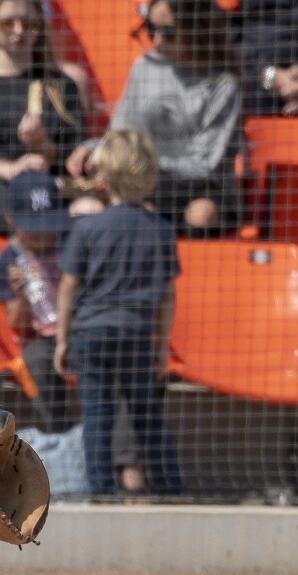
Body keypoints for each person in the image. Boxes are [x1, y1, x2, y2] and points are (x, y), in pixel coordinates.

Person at [54, 129, 183, 498]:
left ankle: (101, 492)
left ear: (103, 177)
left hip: (91, 333)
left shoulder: (88, 228)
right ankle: (173, 489)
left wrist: (63, 339)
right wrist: (161, 348)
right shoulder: (159, 230)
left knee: (98, 415)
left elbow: (67, 287)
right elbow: (168, 295)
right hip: (137, 335)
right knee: (146, 416)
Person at [65, 0, 240, 238]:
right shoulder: (145, 67)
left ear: (196, 29)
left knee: (201, 214)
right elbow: (121, 133)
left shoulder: (223, 85)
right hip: (141, 185)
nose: (156, 40)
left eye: (168, 33)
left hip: (200, 190)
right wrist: (95, 149)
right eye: (150, 28)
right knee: (90, 209)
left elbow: (205, 165)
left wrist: (140, 163)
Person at [0, 171, 72, 433]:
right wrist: (20, 295)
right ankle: (60, 433)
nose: (43, 235)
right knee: (37, 360)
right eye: (34, 228)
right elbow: (17, 325)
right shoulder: (9, 259)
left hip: (77, 328)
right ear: (11, 219)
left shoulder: (72, 241)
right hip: (40, 337)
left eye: (48, 225)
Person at [0, 0, 84, 182]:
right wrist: (10, 169)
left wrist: (41, 144)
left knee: (87, 206)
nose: (19, 30)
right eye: (7, 23)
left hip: (51, 195)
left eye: (28, 23)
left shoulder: (61, 85)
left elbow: (74, 156)